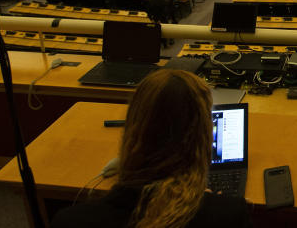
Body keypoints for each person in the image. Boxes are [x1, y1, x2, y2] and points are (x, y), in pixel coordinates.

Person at [52, 70, 251, 228]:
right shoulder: (227, 217)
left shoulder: (69, 222)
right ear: (202, 137)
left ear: (132, 127)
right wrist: (208, 203)